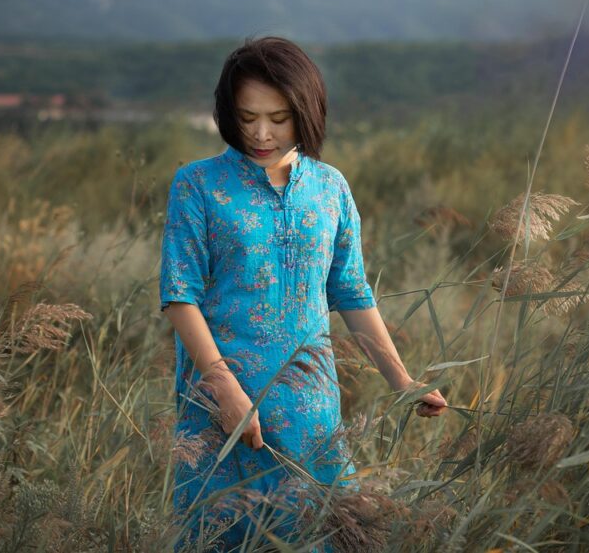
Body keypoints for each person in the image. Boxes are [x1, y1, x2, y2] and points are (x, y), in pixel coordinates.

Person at [159, 36, 448, 552]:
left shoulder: (330, 188)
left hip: (311, 415)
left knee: (324, 535)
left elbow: (351, 292)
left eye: (279, 117)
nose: (262, 133)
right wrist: (224, 390)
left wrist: (402, 380)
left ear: (307, 112)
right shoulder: (198, 185)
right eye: (248, 118)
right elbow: (181, 295)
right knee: (222, 534)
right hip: (223, 415)